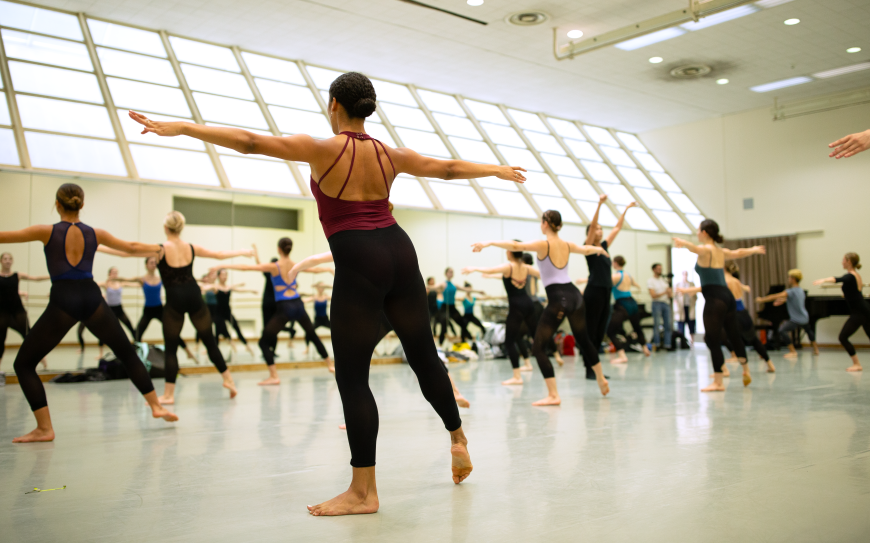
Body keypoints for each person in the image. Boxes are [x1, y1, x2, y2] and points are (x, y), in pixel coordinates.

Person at [129, 71, 521, 514]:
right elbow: (447, 169)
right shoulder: (391, 154)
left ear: (334, 103)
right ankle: (457, 437)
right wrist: (497, 170)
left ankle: (363, 493)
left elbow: (249, 142)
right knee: (423, 356)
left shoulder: (321, 149)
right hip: (400, 249)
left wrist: (182, 127)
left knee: (353, 377)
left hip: (358, 259)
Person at [0, 183, 178, 442]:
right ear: (81, 205)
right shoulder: (96, 233)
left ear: (57, 204)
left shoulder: (45, 231)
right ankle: (156, 405)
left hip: (64, 299)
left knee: (24, 364)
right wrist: (158, 248)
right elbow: (129, 247)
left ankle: (44, 428)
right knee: (127, 353)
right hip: (91, 297)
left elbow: (4, 236)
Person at [471, 210, 610, 405]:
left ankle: (553, 395)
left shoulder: (543, 245)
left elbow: (515, 245)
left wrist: (489, 243)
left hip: (558, 298)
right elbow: (586, 249)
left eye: (541, 221)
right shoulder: (567, 244)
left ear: (546, 223)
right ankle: (601, 378)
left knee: (538, 347)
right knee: (584, 340)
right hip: (575, 295)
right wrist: (600, 250)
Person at [143, 211, 251, 404]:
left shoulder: (159, 249)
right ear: (181, 228)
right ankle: (229, 380)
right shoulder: (191, 248)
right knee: (210, 342)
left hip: (174, 300)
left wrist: (98, 246)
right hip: (194, 296)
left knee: (171, 349)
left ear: (165, 228)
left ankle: (168, 395)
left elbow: (129, 249)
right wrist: (242, 252)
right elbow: (218, 255)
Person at [210, 237, 335, 384]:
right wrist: (329, 269)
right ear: (290, 249)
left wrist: (222, 266)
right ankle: (330, 364)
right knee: (312, 335)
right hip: (298, 304)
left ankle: (274, 376)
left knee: (263, 342)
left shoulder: (274, 266)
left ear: (279, 250)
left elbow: (247, 267)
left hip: (284, 307)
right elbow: (316, 268)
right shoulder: (296, 265)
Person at [672, 219, 765, 392]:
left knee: (712, 339)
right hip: (727, 297)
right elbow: (738, 253)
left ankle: (718, 381)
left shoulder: (706, 250)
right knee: (734, 334)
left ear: (705, 232)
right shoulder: (720, 251)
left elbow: (697, 249)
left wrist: (684, 243)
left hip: (715, 299)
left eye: (699, 230)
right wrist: (753, 250)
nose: (697, 233)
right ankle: (745, 369)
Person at [94, 252, 198, 361]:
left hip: (160, 310)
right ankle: (134, 357)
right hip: (147, 311)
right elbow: (126, 280)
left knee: (172, 331)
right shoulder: (142, 279)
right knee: (137, 333)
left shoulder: (161, 278)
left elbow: (176, 281)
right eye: (151, 262)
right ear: (146, 265)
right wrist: (114, 279)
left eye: (154, 263)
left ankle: (188, 352)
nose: (153, 264)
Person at [462, 245, 540, 385]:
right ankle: (549, 359)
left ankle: (517, 376)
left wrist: (474, 268)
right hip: (528, 304)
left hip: (516, 306)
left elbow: (492, 269)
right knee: (536, 336)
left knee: (509, 341)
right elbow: (543, 275)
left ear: (510, 253)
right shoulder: (526, 267)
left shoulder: (509, 266)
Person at [583, 195, 636, 377]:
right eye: (596, 229)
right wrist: (599, 204)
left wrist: (626, 209)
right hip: (593, 292)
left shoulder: (605, 246)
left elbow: (617, 228)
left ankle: (595, 368)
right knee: (591, 330)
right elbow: (592, 227)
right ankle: (589, 368)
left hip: (606, 292)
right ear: (591, 232)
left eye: (600, 229)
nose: (600, 231)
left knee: (600, 331)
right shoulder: (588, 247)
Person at [813, 252, 870, 372]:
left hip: (859, 312)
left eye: (843, 260)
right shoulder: (856, 275)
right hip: (865, 309)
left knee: (843, 337)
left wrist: (823, 280)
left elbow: (837, 279)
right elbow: (854, 292)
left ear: (849, 261)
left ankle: (857, 364)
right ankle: (856, 364)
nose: (842, 262)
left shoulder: (850, 276)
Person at [76, 266, 140, 358]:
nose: (115, 274)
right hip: (110, 310)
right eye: (113, 272)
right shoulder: (106, 284)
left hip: (119, 309)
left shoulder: (120, 283)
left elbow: (134, 284)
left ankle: (138, 348)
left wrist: (142, 282)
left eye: (116, 272)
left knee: (130, 327)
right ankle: (101, 353)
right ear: (109, 274)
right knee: (104, 330)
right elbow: (93, 285)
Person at [756, 269, 819, 360]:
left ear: (793, 279)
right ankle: (816, 349)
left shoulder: (791, 291)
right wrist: (783, 301)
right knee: (809, 331)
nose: (788, 279)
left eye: (789, 277)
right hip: (804, 317)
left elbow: (775, 296)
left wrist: (762, 299)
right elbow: (795, 300)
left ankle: (792, 351)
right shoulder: (800, 290)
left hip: (796, 319)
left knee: (782, 330)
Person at [0, 253, 49, 368]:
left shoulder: (17, 275)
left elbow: (36, 278)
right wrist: (22, 293)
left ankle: (41, 358)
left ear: (12, 261)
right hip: (2, 313)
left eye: (10, 259)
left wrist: (54, 276)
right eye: (5, 259)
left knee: (29, 336)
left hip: (18, 311)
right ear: (1, 261)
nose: (7, 261)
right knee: (0, 339)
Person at [607, 255, 650, 364]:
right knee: (637, 327)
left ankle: (622, 355)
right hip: (633, 302)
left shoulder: (616, 276)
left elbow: (603, 281)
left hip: (623, 304)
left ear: (615, 263)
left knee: (610, 330)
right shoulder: (628, 275)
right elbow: (636, 285)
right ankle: (645, 348)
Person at [204, 268, 257, 357]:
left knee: (237, 328)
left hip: (228, 312)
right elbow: (206, 287)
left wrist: (251, 290)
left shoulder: (228, 287)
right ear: (219, 276)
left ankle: (247, 346)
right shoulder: (216, 287)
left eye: (226, 275)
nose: (225, 277)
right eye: (223, 275)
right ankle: (213, 352)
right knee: (217, 333)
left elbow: (240, 290)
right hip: (218, 313)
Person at [432, 268, 482, 346]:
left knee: (462, 323)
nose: (451, 274)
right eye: (450, 272)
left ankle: (465, 340)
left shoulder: (454, 285)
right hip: (445, 307)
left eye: (452, 272)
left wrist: (478, 291)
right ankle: (440, 344)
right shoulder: (443, 284)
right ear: (446, 274)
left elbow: (465, 289)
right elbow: (433, 287)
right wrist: (426, 287)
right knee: (444, 326)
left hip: (452, 307)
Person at [648, 263, 673, 351]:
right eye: (658, 269)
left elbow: (670, 294)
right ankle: (657, 344)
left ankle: (667, 345)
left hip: (666, 303)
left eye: (661, 268)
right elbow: (653, 295)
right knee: (657, 324)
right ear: (654, 269)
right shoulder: (651, 281)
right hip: (657, 304)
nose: (660, 270)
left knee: (668, 325)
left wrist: (669, 293)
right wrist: (664, 292)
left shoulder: (664, 280)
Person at [674, 270, 697, 341]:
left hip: (690, 306)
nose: (685, 276)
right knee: (681, 324)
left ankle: (692, 340)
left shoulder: (691, 284)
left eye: (686, 275)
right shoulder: (678, 285)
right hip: (681, 308)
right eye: (684, 275)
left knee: (691, 323)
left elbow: (695, 296)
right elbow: (675, 297)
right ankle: (682, 340)